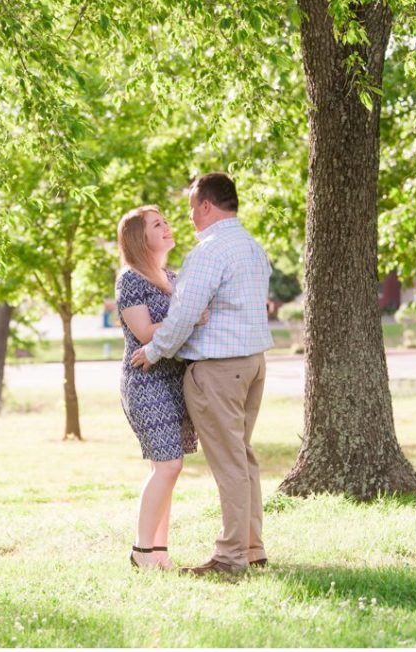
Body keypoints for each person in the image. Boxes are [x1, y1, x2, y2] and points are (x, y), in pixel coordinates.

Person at [131, 172, 274, 577]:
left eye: (192, 208)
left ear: (206, 206)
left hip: (218, 370)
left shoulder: (209, 252)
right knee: (243, 459)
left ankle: (230, 558)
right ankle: (251, 547)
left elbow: (182, 316)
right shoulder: (251, 247)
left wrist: (154, 352)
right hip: (253, 365)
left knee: (230, 464)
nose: (189, 217)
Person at [115, 205, 205, 571]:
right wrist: (189, 316)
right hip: (146, 381)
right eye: (157, 224)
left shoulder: (172, 276)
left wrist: (192, 317)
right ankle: (141, 551)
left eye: (165, 222)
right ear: (140, 237)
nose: (167, 227)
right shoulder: (131, 279)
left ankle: (159, 552)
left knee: (170, 468)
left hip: (174, 380)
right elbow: (145, 333)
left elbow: (189, 321)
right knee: (167, 466)